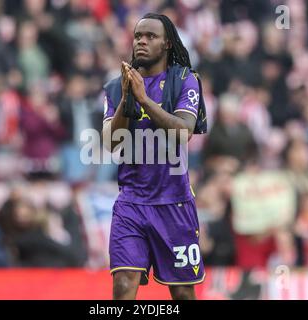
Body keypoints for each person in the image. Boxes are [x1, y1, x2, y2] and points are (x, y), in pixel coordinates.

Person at [102, 13, 207, 300]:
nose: (142, 42)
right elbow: (110, 143)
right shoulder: (116, 87)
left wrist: (144, 99)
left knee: (183, 293)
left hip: (174, 202)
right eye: (138, 36)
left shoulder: (185, 81)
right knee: (123, 284)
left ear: (167, 44)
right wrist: (127, 98)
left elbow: (183, 131)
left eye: (150, 37)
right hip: (131, 202)